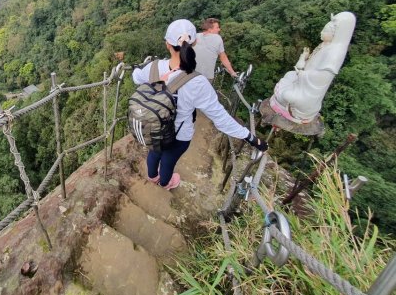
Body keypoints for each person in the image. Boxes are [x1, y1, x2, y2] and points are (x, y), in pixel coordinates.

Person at [132, 19, 268, 189]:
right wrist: (250, 137)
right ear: (194, 43)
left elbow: (136, 77)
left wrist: (138, 68)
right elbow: (220, 117)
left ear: (167, 44)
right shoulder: (198, 82)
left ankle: (152, 177)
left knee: (155, 150)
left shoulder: (152, 67)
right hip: (179, 134)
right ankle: (165, 184)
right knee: (169, 160)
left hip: (153, 126)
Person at [270, 11, 356, 123]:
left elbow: (320, 79)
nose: (321, 33)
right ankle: (282, 98)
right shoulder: (324, 46)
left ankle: (292, 110)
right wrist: (303, 58)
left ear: (336, 33)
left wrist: (301, 73)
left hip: (308, 93)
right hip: (301, 82)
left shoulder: (335, 53)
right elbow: (306, 66)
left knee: (287, 95)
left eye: (325, 31)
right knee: (289, 75)